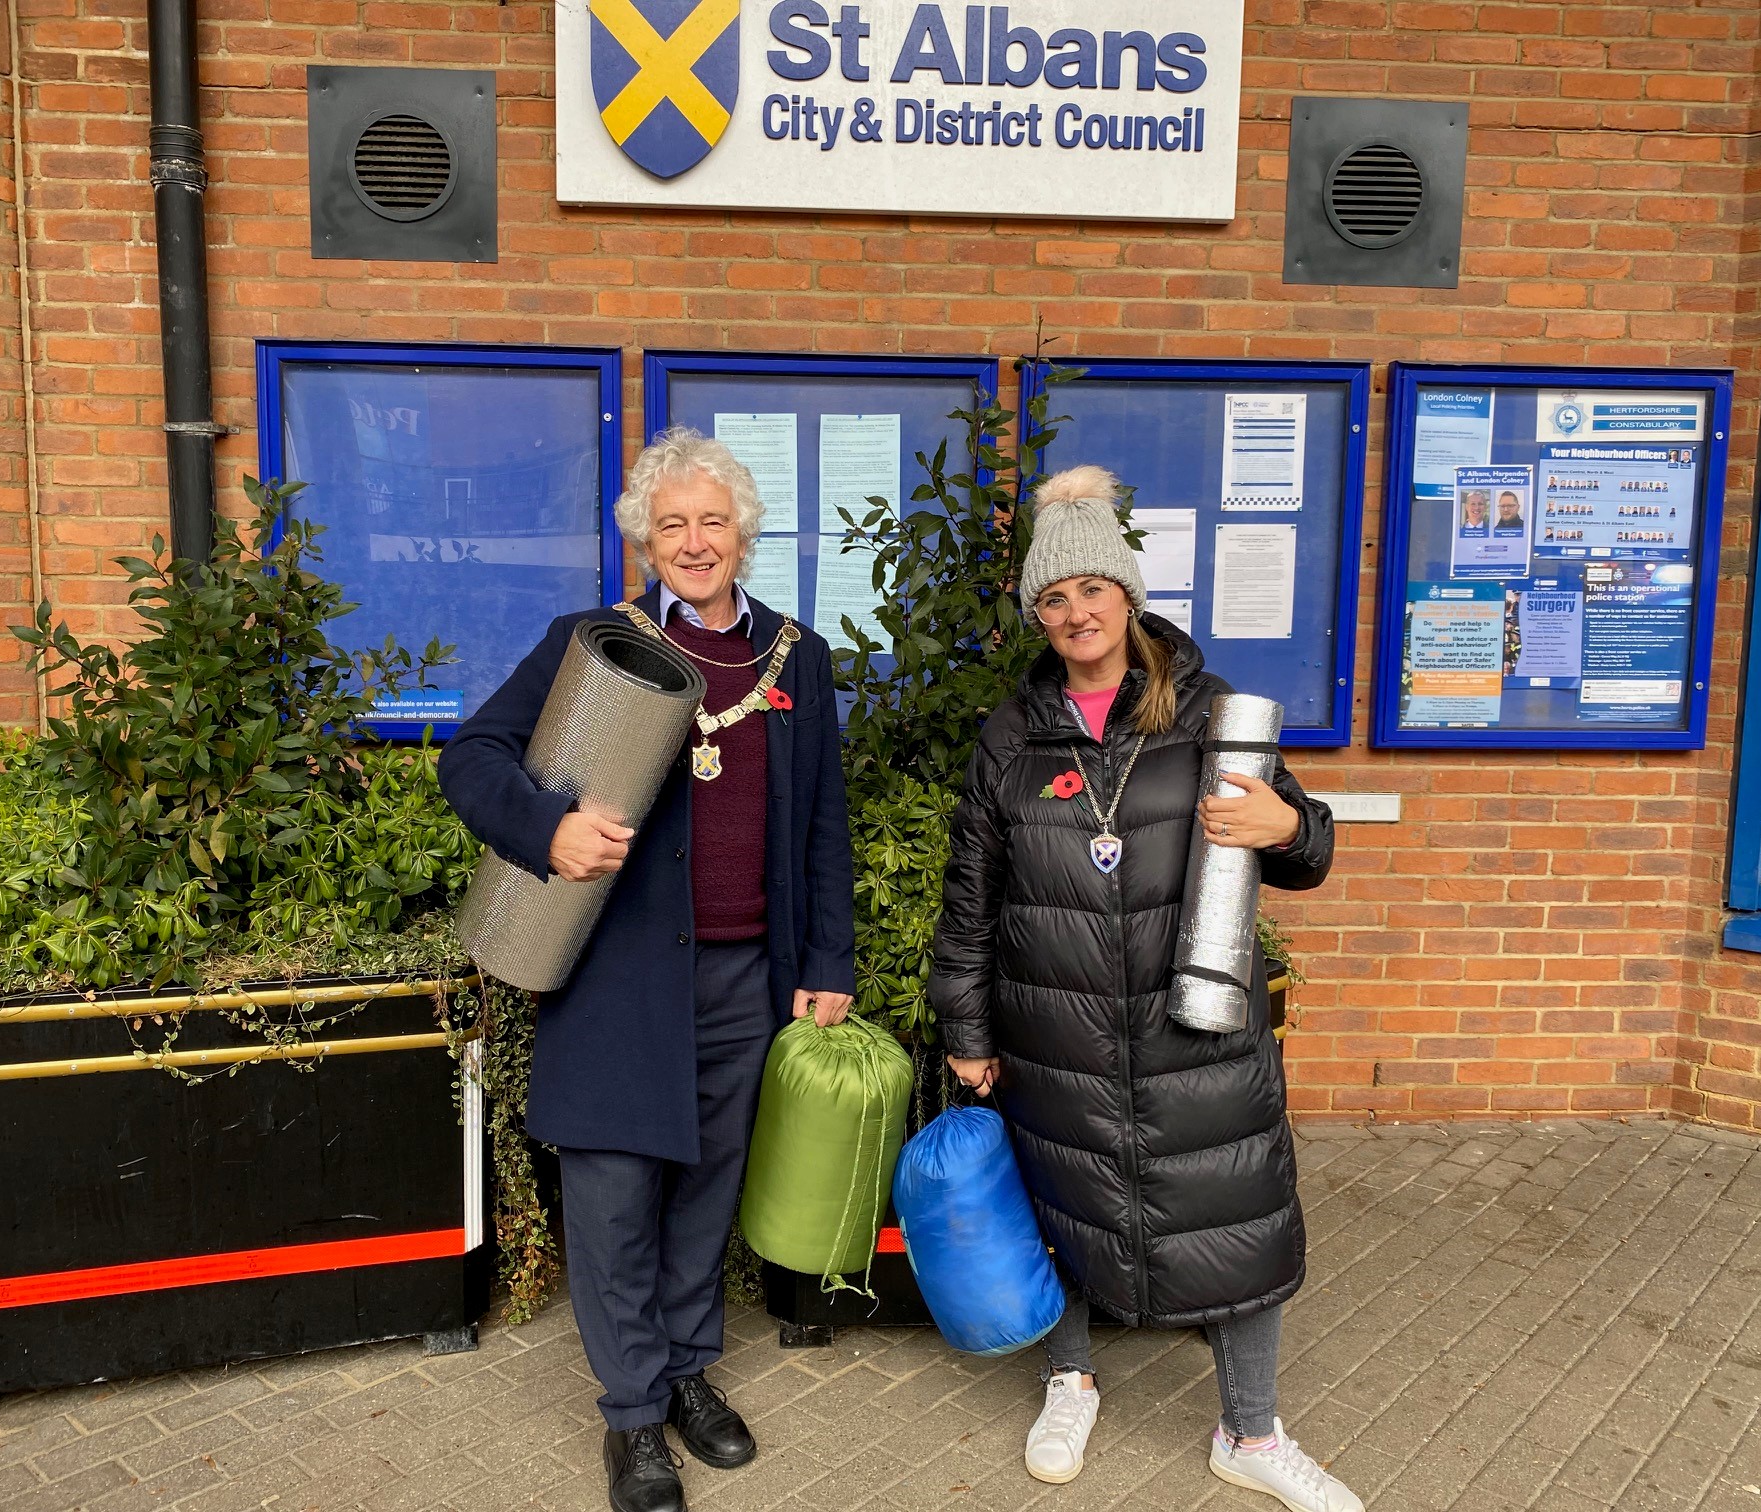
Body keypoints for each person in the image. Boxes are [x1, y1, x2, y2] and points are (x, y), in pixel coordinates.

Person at [438, 428, 856, 1512]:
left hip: (745, 976)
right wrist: (548, 830)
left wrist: (827, 960)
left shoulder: (795, 657)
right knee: (617, 1196)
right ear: (645, 539)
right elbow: (471, 755)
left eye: (712, 520)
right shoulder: (594, 644)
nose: (693, 541)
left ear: (744, 533)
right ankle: (632, 1417)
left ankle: (683, 1372)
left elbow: (823, 827)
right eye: (671, 524)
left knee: (706, 1192)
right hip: (619, 976)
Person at [929, 465, 1357, 1512]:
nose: (1076, 613)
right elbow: (970, 901)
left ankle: (1250, 1433)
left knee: (1238, 1210)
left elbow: (1308, 855)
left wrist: (1289, 829)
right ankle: (1069, 1381)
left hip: (1195, 1025)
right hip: (1055, 1022)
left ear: (1128, 596)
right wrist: (968, 1026)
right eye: (1054, 598)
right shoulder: (1009, 738)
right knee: (1059, 1199)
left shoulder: (1214, 714)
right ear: (1039, 613)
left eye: (1093, 591)